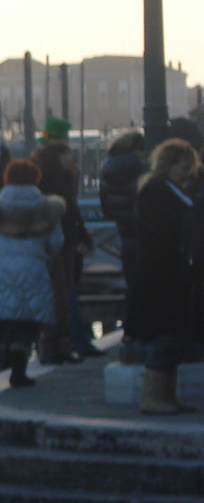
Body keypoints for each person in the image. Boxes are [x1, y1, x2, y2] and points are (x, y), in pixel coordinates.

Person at [0, 160, 65, 388]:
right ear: (37, 179)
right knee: (27, 322)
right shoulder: (47, 209)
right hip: (33, 267)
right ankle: (18, 373)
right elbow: (57, 242)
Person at [126, 138, 201, 415]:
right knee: (167, 334)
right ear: (168, 166)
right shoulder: (155, 193)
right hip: (162, 276)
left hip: (174, 274)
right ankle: (153, 396)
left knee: (176, 335)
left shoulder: (170, 190)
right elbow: (165, 230)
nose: (188, 174)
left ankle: (167, 395)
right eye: (184, 168)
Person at [33, 139, 93, 362]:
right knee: (56, 294)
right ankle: (49, 346)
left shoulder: (68, 176)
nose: (70, 158)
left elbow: (73, 209)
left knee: (66, 292)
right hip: (51, 240)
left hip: (68, 239)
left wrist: (83, 234)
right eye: (65, 154)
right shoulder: (45, 179)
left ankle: (64, 346)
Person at [98, 131, 147, 361]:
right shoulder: (143, 166)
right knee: (149, 285)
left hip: (125, 235)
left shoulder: (107, 170)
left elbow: (106, 209)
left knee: (132, 286)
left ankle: (130, 334)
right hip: (145, 234)